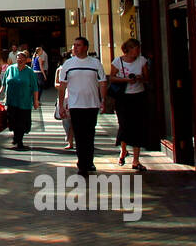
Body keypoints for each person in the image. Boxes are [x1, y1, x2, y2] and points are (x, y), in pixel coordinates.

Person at [59, 36, 106, 177]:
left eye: (78, 45)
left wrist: (103, 100)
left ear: (86, 47)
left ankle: (89, 161)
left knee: (90, 134)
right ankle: (82, 163)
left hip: (92, 104)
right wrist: (61, 105)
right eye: (74, 45)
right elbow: (62, 86)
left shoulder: (95, 63)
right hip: (75, 105)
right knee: (79, 135)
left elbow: (102, 82)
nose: (75, 47)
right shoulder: (68, 64)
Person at [111, 38, 151, 173]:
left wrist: (140, 78)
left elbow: (147, 78)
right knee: (124, 124)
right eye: (135, 48)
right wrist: (126, 80)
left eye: (138, 48)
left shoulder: (142, 61)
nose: (137, 51)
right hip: (123, 97)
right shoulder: (118, 61)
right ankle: (123, 151)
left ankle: (136, 159)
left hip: (138, 96)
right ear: (128, 49)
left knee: (137, 126)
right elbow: (111, 77)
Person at [0, 50, 39, 151]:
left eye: (22, 58)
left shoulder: (29, 72)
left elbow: (35, 87)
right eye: (18, 58)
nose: (20, 59)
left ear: (26, 60)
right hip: (11, 100)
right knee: (12, 120)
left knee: (22, 121)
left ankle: (19, 141)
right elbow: (4, 84)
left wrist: (36, 101)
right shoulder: (10, 69)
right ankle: (16, 138)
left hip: (24, 101)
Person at [54, 62, 76, 152]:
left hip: (75, 97)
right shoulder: (60, 70)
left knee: (74, 121)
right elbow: (56, 84)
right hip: (65, 97)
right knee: (66, 121)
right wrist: (65, 86)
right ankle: (70, 140)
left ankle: (73, 141)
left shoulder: (75, 69)